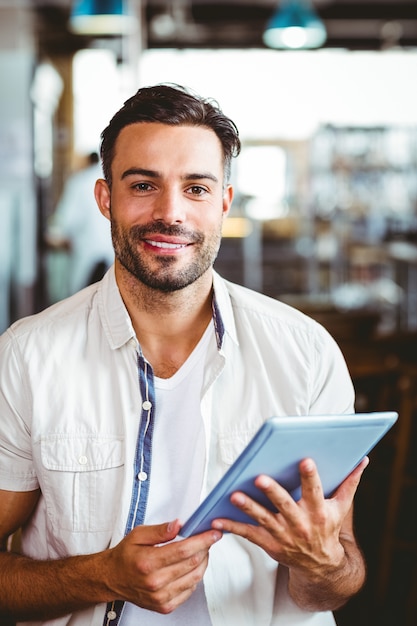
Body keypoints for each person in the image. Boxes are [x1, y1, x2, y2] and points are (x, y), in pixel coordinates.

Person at [0, 84, 367, 626]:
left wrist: (322, 563)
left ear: (224, 201)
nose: (170, 213)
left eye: (196, 188)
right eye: (143, 185)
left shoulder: (305, 352)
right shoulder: (27, 357)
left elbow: (331, 586)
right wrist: (103, 576)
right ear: (105, 199)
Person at [47, 151, 114, 297]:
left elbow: (62, 224)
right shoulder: (123, 182)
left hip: (87, 258)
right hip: (110, 258)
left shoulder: (80, 182)